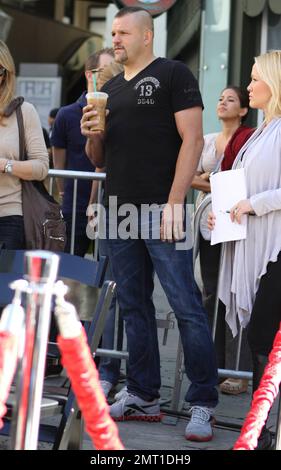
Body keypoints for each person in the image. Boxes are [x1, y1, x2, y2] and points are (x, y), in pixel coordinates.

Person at [81, 6, 218, 442]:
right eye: (112, 32)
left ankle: (203, 403)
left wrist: (176, 200)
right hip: (118, 210)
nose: (115, 39)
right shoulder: (111, 88)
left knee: (185, 305)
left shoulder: (174, 73)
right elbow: (100, 161)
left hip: (163, 208)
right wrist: (92, 134)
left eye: (122, 32)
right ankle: (143, 396)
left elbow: (193, 139)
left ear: (146, 36)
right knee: (134, 307)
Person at [208, 50, 281, 449]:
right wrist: (223, 214)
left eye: (255, 78)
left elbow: (261, 196)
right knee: (262, 339)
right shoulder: (262, 131)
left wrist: (255, 204)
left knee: (263, 338)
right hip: (259, 243)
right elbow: (240, 187)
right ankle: (263, 428)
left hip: (278, 248)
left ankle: (264, 430)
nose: (248, 85)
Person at [191, 86, 254, 394]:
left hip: (237, 223)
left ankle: (238, 371)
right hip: (208, 225)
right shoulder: (206, 140)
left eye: (231, 100)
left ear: (243, 109)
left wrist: (208, 181)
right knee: (211, 294)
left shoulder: (249, 139)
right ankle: (214, 365)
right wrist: (216, 183)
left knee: (235, 293)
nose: (222, 103)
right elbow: (188, 175)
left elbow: (242, 183)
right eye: (220, 98)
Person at [86, 60, 125, 399]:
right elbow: (98, 160)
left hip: (142, 208)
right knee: (109, 294)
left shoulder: (130, 103)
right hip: (112, 208)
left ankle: (121, 372)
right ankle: (107, 369)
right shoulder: (94, 108)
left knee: (132, 298)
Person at [51, 48, 114, 257]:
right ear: (90, 74)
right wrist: (63, 192)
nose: (111, 76)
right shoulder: (67, 114)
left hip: (113, 206)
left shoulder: (119, 110)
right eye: (105, 71)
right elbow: (58, 161)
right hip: (75, 204)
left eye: (116, 72)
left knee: (108, 272)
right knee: (69, 267)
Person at [0, 40, 49, 250]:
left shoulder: (24, 112)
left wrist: (4, 165)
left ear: (5, 74)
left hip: (9, 218)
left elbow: (41, 167)